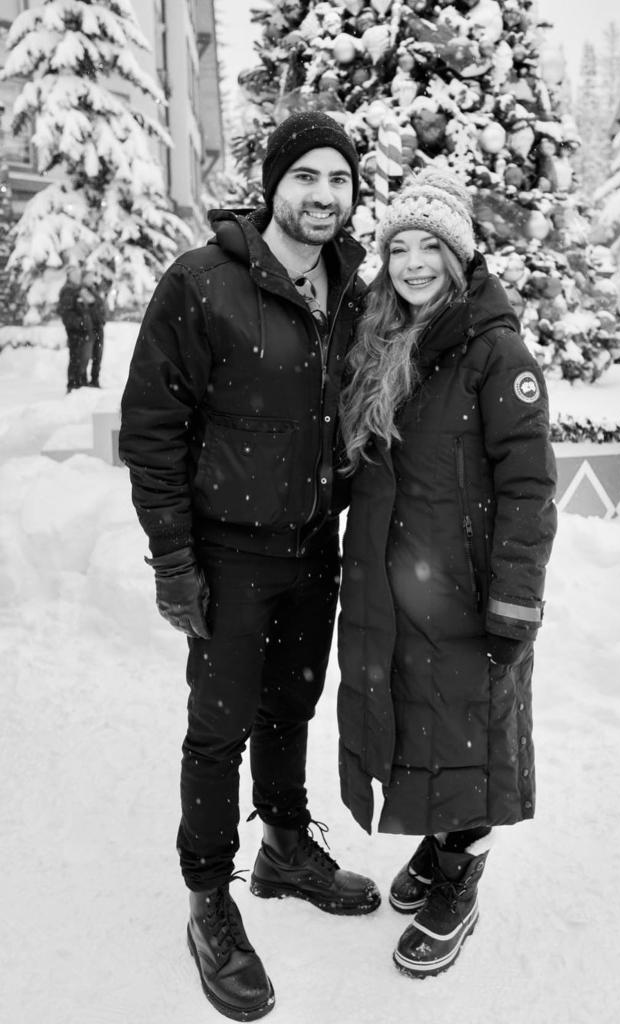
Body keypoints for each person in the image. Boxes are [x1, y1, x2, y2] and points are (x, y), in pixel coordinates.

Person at [118, 111, 380, 1022]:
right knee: (217, 727)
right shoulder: (202, 284)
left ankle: (282, 846)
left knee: (291, 704)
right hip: (228, 552)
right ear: (274, 186)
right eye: (306, 176)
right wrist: (173, 559)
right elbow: (152, 431)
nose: (323, 195)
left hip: (313, 545)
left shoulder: (355, 286)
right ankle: (207, 898)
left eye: (339, 180)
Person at [336, 169, 558, 979]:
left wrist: (514, 601)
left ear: (460, 259)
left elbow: (530, 485)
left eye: (432, 247)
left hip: (466, 591)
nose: (414, 263)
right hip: (399, 587)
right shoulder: (386, 342)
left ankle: (461, 874)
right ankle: (438, 844)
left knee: (467, 731)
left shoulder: (496, 354)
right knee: (420, 719)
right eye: (400, 247)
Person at [57, 265, 93, 391]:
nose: (78, 276)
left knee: (81, 358)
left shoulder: (78, 289)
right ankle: (72, 384)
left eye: (78, 274)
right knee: (75, 358)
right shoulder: (67, 291)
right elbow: (66, 313)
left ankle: (79, 383)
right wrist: (80, 323)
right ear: (69, 276)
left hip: (83, 330)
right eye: (75, 274)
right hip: (75, 331)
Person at [84, 270, 107, 387]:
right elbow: (88, 309)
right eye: (88, 277)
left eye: (91, 277)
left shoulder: (95, 290)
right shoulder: (83, 292)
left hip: (99, 327)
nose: (91, 279)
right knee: (87, 356)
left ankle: (95, 380)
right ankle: (82, 381)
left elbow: (100, 306)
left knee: (98, 356)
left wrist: (102, 319)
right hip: (90, 328)